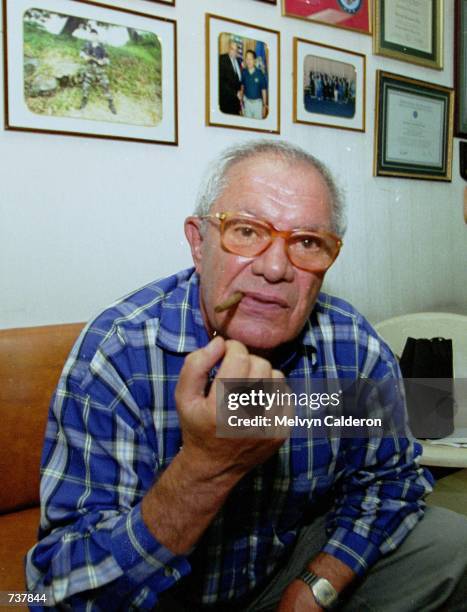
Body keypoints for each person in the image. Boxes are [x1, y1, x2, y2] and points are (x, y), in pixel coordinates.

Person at [26, 140, 467, 611]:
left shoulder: (349, 345)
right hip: (163, 594)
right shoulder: (119, 355)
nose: (276, 268)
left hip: (281, 567)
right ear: (199, 243)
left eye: (307, 242)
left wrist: (317, 586)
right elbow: (57, 592)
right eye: (247, 231)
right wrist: (206, 467)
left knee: (450, 542)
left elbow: (387, 481)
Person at [79, 28, 117, 115]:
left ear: (97, 36)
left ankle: (110, 103)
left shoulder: (102, 47)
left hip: (100, 69)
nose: (93, 36)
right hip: (89, 68)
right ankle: (84, 100)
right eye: (91, 35)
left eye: (94, 35)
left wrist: (103, 61)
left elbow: (108, 59)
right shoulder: (87, 44)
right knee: (86, 84)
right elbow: (81, 52)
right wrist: (84, 56)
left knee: (105, 85)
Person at [240, 50, 268, 120]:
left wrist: (264, 106)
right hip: (247, 103)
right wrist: (241, 103)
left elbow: (264, 91)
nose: (248, 61)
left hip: (257, 105)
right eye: (247, 58)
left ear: (254, 60)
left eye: (250, 59)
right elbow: (242, 86)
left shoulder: (260, 73)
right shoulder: (244, 72)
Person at [219, 39, 242, 115]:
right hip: (226, 102)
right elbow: (222, 83)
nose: (234, 52)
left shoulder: (239, 61)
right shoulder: (222, 59)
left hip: (236, 104)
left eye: (236, 50)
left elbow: (239, 80)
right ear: (228, 48)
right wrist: (235, 93)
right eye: (232, 49)